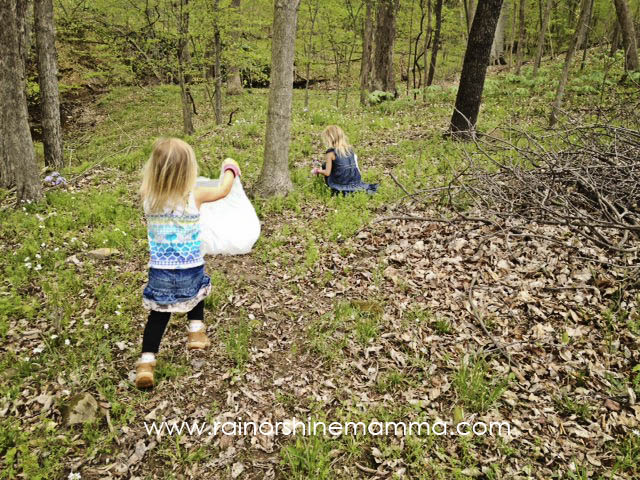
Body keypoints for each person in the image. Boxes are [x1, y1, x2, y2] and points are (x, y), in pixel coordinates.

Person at [136, 138, 241, 388]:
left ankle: (146, 363)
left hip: (160, 269)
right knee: (197, 291)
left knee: (158, 314)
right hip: (190, 264)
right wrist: (230, 168)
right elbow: (223, 190)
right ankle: (195, 332)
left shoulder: (148, 195)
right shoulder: (195, 194)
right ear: (187, 170)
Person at [313, 125, 378, 195]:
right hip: (355, 181)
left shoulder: (330, 153)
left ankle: (337, 188)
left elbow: (327, 173)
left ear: (330, 138)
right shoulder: (350, 149)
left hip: (341, 183)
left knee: (325, 166)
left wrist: (317, 171)